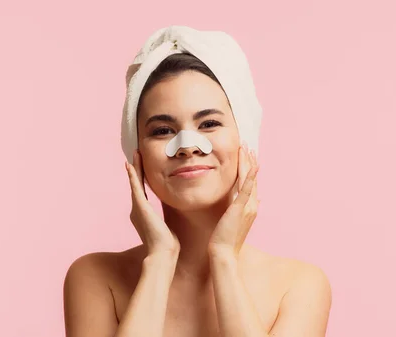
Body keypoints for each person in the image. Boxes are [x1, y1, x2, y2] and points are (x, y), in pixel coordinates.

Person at [63, 27, 332, 337]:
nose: (187, 145)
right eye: (163, 130)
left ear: (244, 140)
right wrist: (160, 261)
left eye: (209, 124)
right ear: (137, 154)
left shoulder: (299, 286)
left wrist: (224, 259)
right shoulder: (95, 278)